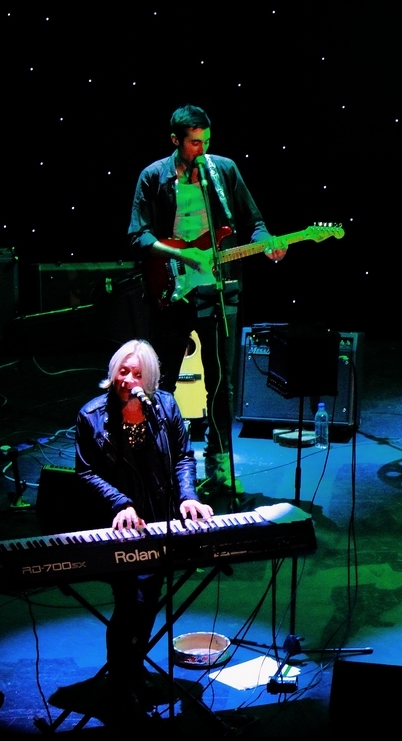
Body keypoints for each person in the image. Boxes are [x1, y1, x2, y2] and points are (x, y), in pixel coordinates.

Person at [128, 104, 287, 494]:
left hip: (220, 289)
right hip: (172, 288)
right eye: (195, 142)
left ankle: (220, 468)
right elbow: (138, 235)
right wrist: (183, 255)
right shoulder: (153, 177)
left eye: (207, 142)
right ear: (175, 140)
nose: (202, 149)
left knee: (221, 384)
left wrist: (266, 243)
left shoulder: (224, 170)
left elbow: (255, 222)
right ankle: (160, 461)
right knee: (160, 380)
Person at [75, 340, 213, 709]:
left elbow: (184, 455)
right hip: (118, 524)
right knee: (130, 600)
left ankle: (133, 671)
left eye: (137, 374)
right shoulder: (91, 415)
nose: (129, 380)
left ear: (149, 378)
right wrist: (120, 503)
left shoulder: (164, 406)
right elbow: (85, 472)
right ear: (113, 371)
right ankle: (120, 681)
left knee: (150, 599)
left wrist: (188, 496)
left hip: (159, 519)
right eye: (123, 371)